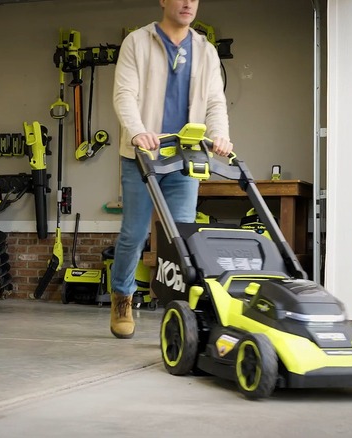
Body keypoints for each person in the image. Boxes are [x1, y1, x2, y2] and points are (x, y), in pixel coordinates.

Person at [109, 0, 232, 339]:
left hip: (184, 157)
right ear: (164, 0)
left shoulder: (205, 50)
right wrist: (137, 131)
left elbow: (214, 101)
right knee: (135, 234)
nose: (188, 3)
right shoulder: (137, 41)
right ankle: (122, 296)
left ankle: (180, 315)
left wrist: (220, 135)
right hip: (142, 155)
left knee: (180, 239)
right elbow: (124, 94)